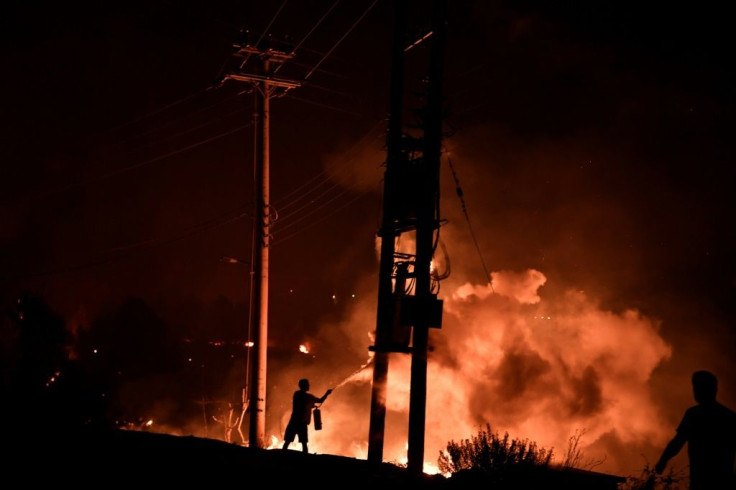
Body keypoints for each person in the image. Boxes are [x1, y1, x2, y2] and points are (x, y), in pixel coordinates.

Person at [654, 370, 736, 489]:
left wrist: (662, 461)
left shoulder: (693, 415)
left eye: (698, 388)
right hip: (725, 482)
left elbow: (678, 442)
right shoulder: (729, 416)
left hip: (700, 481)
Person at [282, 379, 333, 453]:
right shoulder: (308, 397)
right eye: (307, 384)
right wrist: (327, 393)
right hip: (302, 423)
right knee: (304, 444)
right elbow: (320, 401)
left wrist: (310, 405)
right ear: (304, 385)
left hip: (293, 421)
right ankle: (305, 460)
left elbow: (302, 404)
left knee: (287, 442)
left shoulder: (296, 394)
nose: (309, 385)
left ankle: (281, 457)